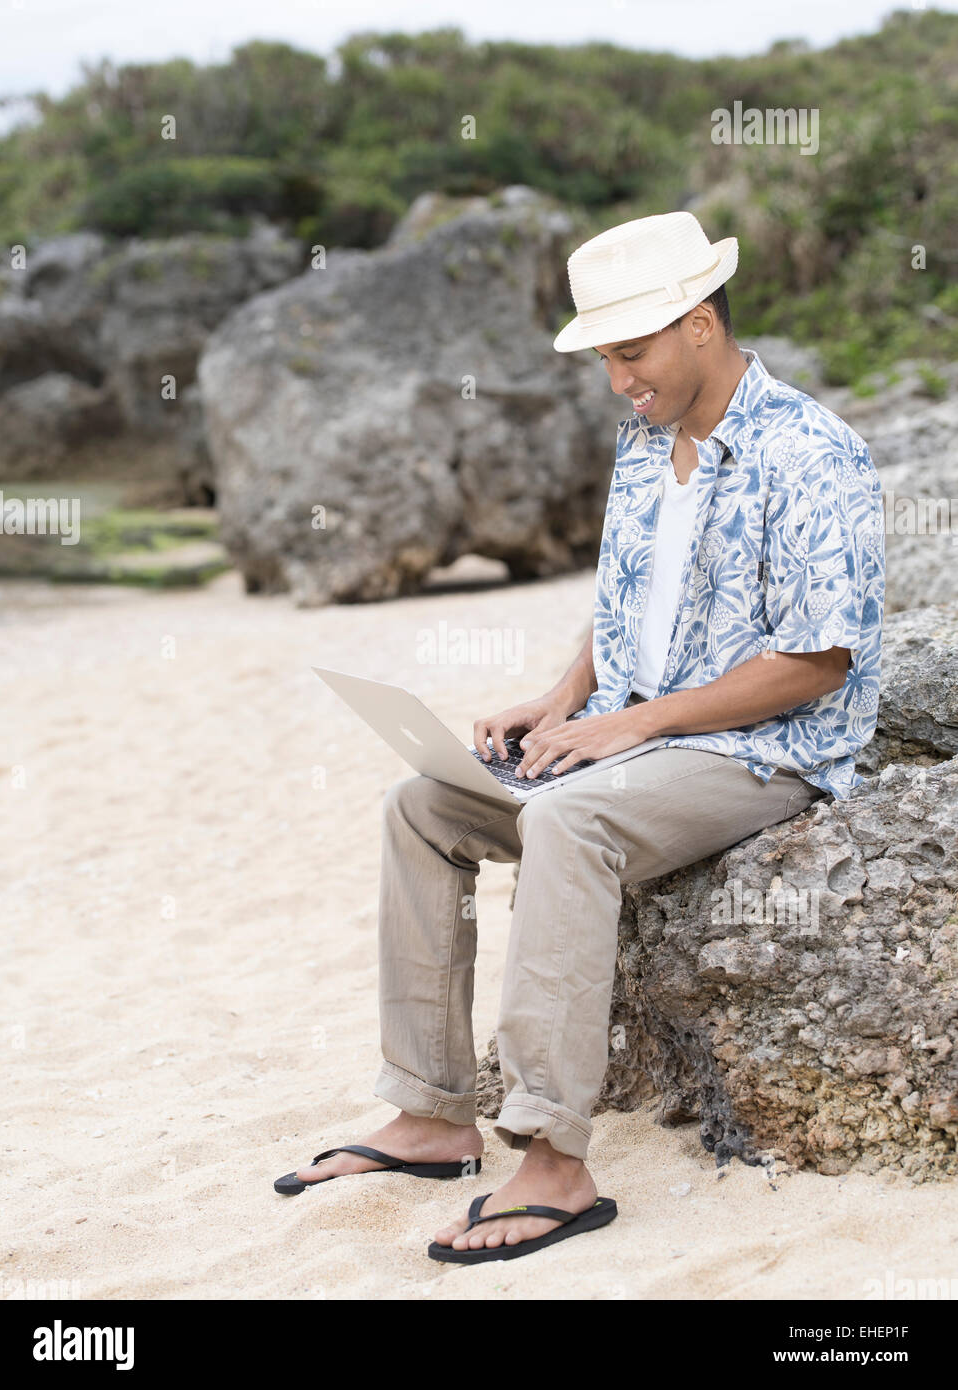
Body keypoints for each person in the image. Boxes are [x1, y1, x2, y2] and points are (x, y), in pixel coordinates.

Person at [275, 210, 886, 1264]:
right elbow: (621, 609)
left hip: (768, 753)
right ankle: (431, 1114)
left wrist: (627, 727)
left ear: (700, 324)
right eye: (605, 355)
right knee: (421, 802)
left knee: (571, 825)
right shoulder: (646, 443)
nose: (617, 380)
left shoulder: (812, 451)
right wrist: (559, 704)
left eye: (631, 352)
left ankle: (555, 1159)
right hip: (639, 732)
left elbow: (816, 661)